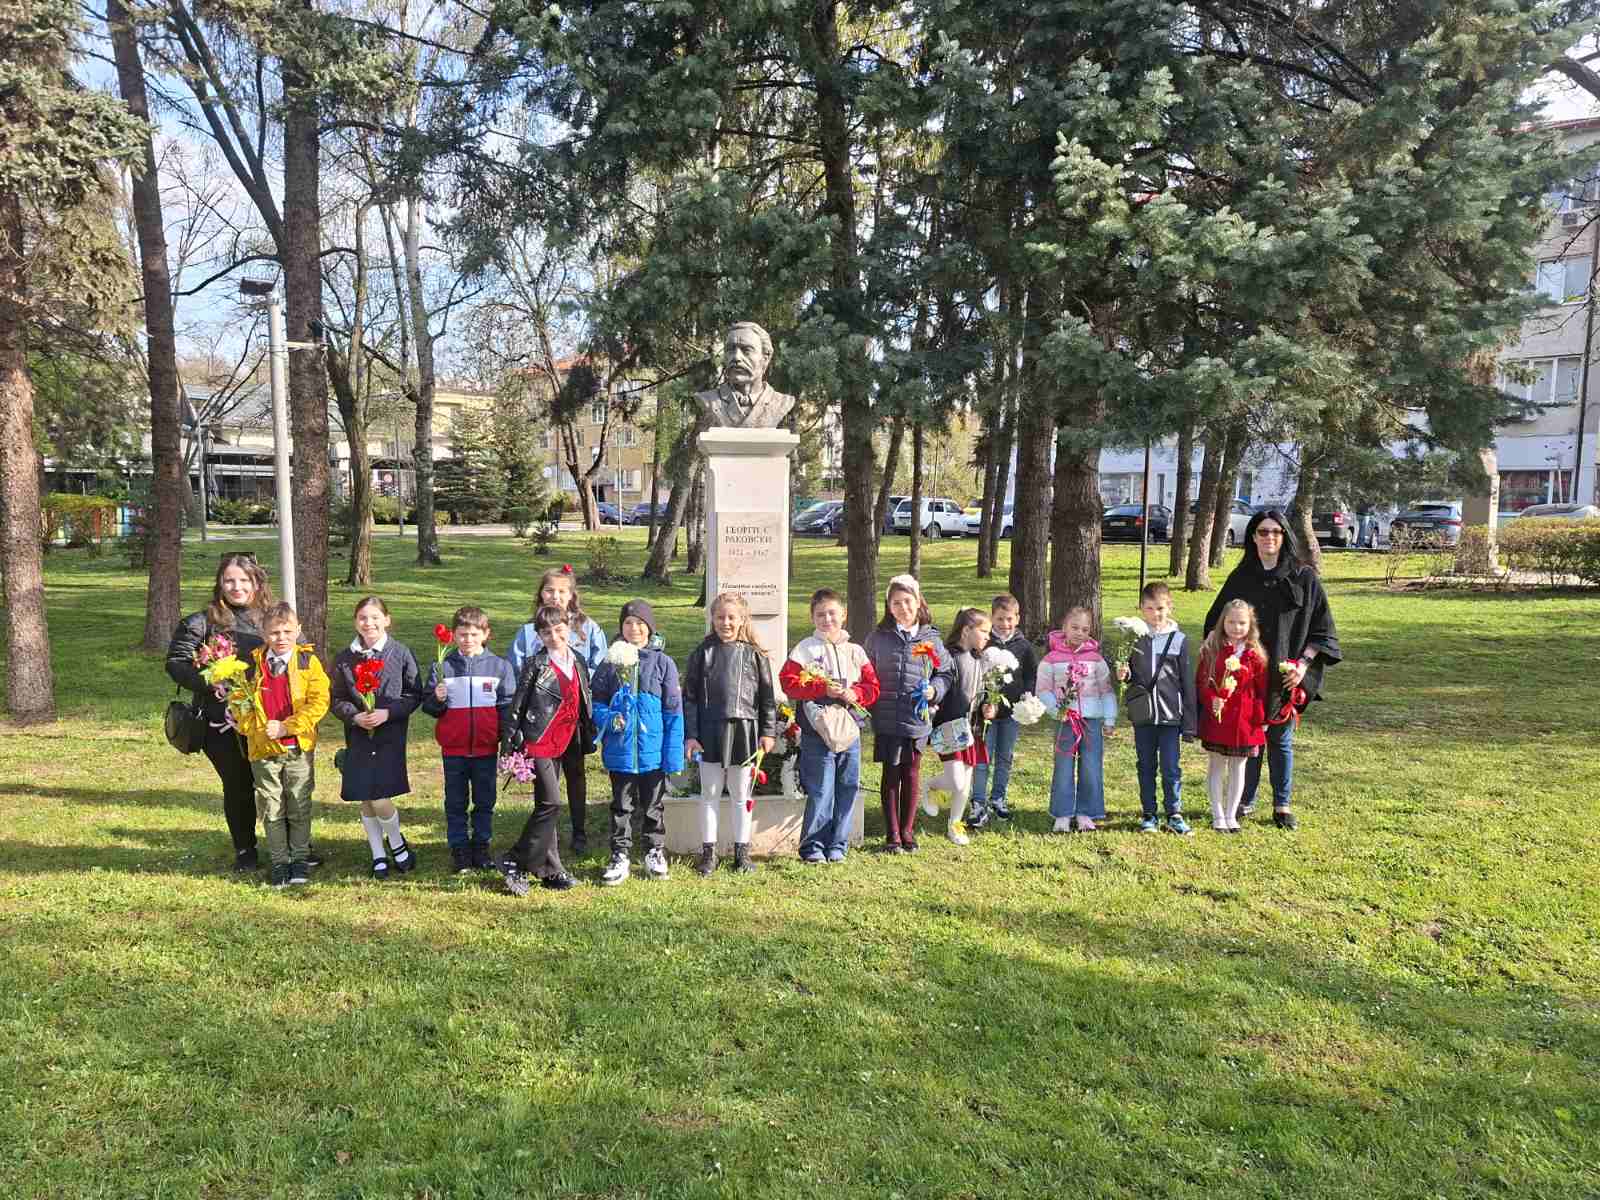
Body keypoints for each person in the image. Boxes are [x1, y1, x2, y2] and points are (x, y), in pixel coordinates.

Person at [1203, 510, 1341, 829]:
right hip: (1246, 676)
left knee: (1279, 740)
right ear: (1253, 536)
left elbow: (1322, 629)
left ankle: (1282, 804)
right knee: (1249, 739)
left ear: (1285, 536)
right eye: (1263, 532)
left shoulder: (1304, 577)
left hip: (1285, 675)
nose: (1269, 537)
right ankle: (1245, 799)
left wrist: (1303, 665)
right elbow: (1216, 622)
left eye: (1276, 532)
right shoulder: (1242, 577)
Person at [165, 552, 274, 871]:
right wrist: (209, 680)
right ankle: (245, 849)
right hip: (221, 723)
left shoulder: (273, 618)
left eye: (244, 580)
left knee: (277, 785)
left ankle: (293, 847)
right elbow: (176, 662)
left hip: (268, 719)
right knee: (238, 786)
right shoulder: (200, 623)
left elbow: (298, 655)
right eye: (229, 580)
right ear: (220, 584)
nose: (237, 587)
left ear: (256, 583)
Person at [509, 566, 608, 857]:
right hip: (541, 720)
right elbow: (517, 671)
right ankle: (546, 838)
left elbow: (599, 667)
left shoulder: (589, 628)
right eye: (549, 590)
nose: (555, 596)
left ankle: (579, 831)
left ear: (572, 595)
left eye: (562, 591)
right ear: (540, 594)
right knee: (547, 781)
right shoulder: (528, 631)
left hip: (574, 717)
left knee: (576, 773)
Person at [500, 606, 598, 894]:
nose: (554, 636)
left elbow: (583, 699)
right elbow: (517, 705)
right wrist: (509, 746)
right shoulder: (536, 664)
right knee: (551, 803)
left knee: (548, 807)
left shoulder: (578, 660)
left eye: (558, 629)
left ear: (568, 627)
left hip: (568, 740)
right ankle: (514, 859)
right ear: (539, 636)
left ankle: (551, 870)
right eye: (546, 632)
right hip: (539, 739)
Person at [779, 588, 882, 864]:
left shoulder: (855, 651)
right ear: (812, 617)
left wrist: (855, 694)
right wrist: (821, 688)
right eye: (820, 615)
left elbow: (872, 687)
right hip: (817, 730)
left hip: (849, 730)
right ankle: (813, 846)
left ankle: (838, 844)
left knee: (847, 786)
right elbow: (789, 683)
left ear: (843, 614)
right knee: (821, 788)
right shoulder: (805, 649)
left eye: (832, 613)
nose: (827, 619)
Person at [233, 603, 330, 887]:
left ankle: (299, 858)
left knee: (299, 804)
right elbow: (238, 705)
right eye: (274, 632)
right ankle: (279, 862)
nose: (281, 637)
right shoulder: (251, 665)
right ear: (264, 633)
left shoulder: (308, 662)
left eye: (287, 631)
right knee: (271, 806)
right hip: (263, 750)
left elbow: (319, 701)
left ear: (298, 630)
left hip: (298, 748)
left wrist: (288, 727)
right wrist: (258, 730)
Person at [683, 593, 779, 876]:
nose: (725, 622)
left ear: (742, 620)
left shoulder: (755, 656)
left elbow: (767, 699)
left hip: (744, 731)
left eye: (731, 617)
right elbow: (690, 698)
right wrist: (691, 734)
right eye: (720, 617)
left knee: (740, 794)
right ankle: (709, 853)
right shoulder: (702, 653)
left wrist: (768, 731)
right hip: (709, 731)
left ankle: (741, 852)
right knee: (709, 793)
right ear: (712, 619)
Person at [328, 596, 424, 878]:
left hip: (389, 735)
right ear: (355, 622)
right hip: (358, 736)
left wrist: (388, 713)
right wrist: (354, 716)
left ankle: (396, 842)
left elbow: (413, 694)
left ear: (387, 620)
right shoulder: (345, 658)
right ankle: (377, 853)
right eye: (362, 618)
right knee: (366, 797)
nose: (368, 623)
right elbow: (336, 698)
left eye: (374, 617)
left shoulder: (400, 653)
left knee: (380, 796)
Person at [592, 600, 685, 885]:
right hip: (621, 751)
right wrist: (609, 718)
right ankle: (619, 854)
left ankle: (654, 850)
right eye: (628, 623)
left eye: (640, 623)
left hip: (652, 753)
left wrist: (672, 755)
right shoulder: (610, 662)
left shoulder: (663, 663)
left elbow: (673, 711)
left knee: (653, 805)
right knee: (621, 806)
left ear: (650, 627)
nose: (634, 628)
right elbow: (596, 702)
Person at [422, 606, 518, 872]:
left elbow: (507, 707)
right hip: (454, 749)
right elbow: (429, 707)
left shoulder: (500, 667)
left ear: (486, 634)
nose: (468, 640)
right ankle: (460, 848)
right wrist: (437, 698)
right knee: (455, 801)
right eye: (463, 634)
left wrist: (507, 742)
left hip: (486, 749)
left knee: (485, 800)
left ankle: (481, 846)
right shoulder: (443, 667)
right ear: (453, 635)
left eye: (474, 634)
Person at [862, 575, 953, 854]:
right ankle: (892, 835)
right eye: (896, 603)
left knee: (911, 773)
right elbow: (865, 674)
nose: (903, 608)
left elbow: (945, 672)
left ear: (918, 602)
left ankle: (907, 831)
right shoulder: (878, 638)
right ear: (889, 607)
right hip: (887, 717)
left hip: (916, 718)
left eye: (907, 601)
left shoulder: (930, 639)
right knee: (891, 773)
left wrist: (934, 691)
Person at [1121, 582, 1198, 835]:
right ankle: (1149, 813)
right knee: (1145, 765)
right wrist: (1124, 674)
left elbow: (1187, 682)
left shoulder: (1179, 640)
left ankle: (1174, 813)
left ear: (1170, 607)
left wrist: (1190, 723)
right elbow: (1130, 675)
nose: (1156, 613)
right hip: (1143, 716)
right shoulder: (1135, 637)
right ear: (1141, 609)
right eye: (1150, 608)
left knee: (1170, 766)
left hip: (1170, 716)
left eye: (1161, 608)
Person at [1036, 606, 1117, 832]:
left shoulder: (1096, 659)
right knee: (1063, 765)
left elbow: (1106, 690)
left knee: (1091, 765)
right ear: (1064, 628)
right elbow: (1042, 689)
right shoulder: (1051, 660)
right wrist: (1057, 710)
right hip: (1065, 720)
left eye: (1085, 629)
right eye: (1074, 627)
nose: (1079, 633)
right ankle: (1062, 813)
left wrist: (1109, 718)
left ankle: (1086, 812)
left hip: (1091, 720)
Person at [922, 607, 996, 846]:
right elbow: (938, 687)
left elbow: (983, 692)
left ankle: (955, 826)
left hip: (973, 729)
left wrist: (988, 707)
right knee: (956, 781)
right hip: (949, 727)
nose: (988, 637)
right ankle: (930, 786)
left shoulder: (980, 659)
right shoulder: (948, 657)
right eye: (983, 631)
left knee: (964, 785)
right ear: (966, 631)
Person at [1196, 599, 1268, 833]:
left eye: (1242, 623)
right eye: (1231, 622)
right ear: (1223, 622)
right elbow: (1202, 682)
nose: (1236, 627)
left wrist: (1262, 718)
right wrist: (1211, 699)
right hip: (1219, 718)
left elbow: (1262, 689)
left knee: (1239, 766)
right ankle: (1217, 814)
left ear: (1250, 625)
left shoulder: (1255, 654)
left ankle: (1231, 814)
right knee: (1216, 764)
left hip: (1245, 722)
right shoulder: (1212, 649)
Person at [969, 592, 1036, 828]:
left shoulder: (1024, 646)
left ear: (1017, 618)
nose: (1005, 624)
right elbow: (975, 673)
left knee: (1005, 758)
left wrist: (1027, 697)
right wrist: (982, 702)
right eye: (999, 619)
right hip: (986, 713)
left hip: (1011, 714)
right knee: (982, 758)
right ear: (992, 618)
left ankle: (998, 798)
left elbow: (1030, 675)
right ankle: (978, 801)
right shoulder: (985, 643)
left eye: (1009, 619)